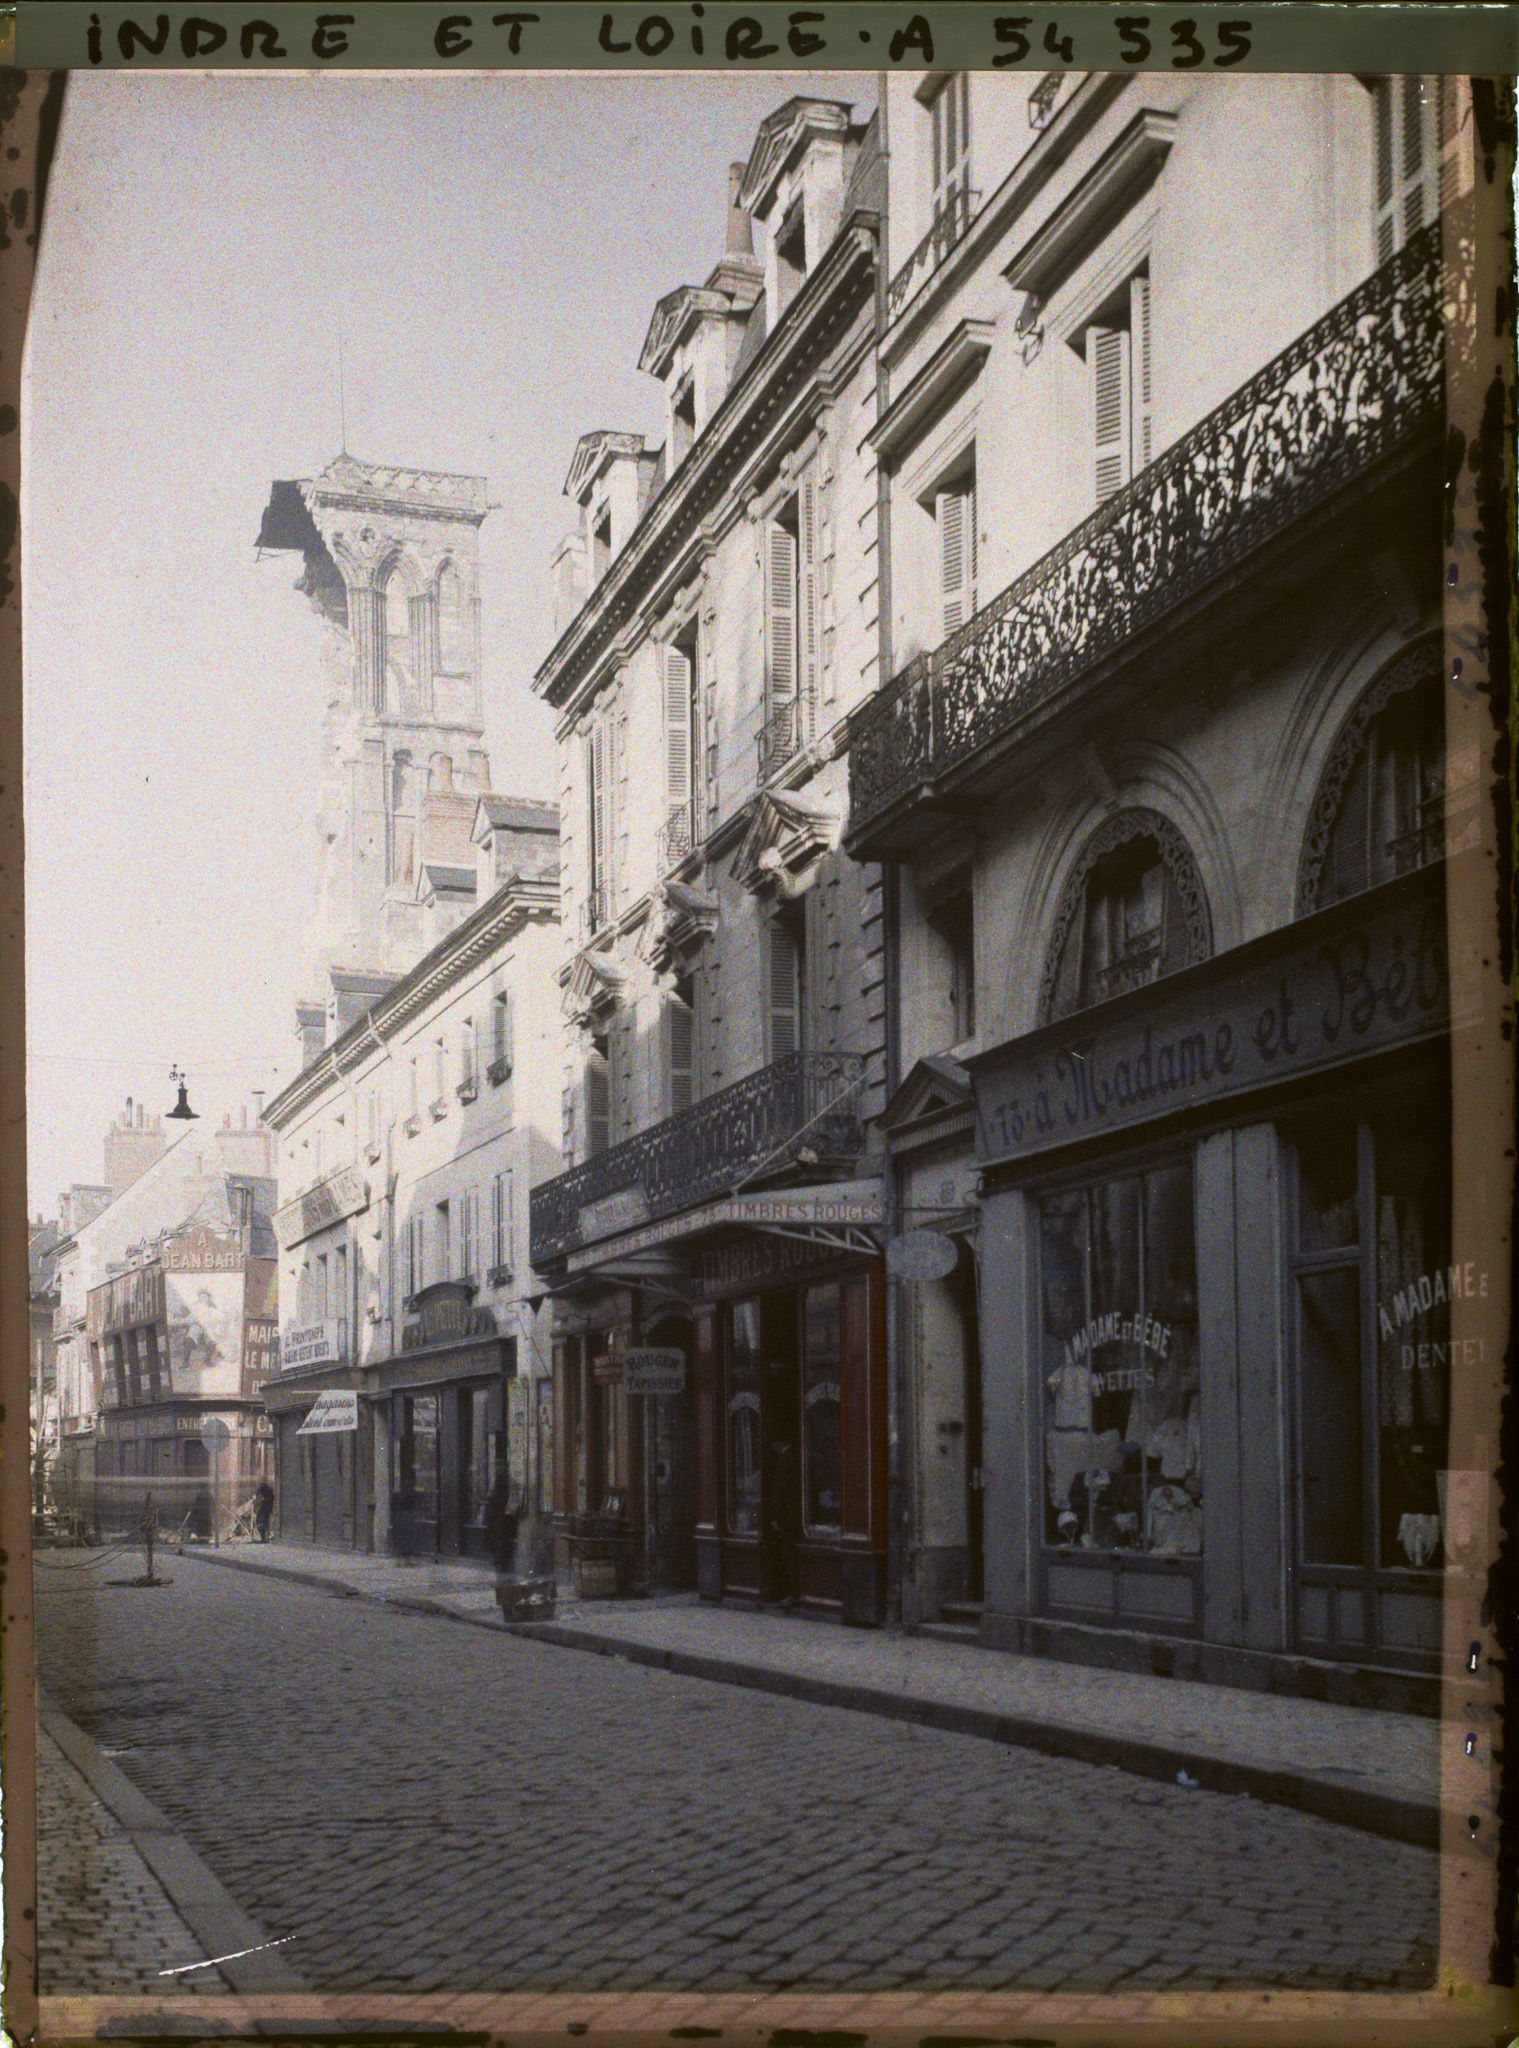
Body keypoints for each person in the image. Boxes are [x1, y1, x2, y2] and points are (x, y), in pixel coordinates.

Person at [254, 1478, 275, 1543]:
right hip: (268, 1507)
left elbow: (259, 1500)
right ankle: (266, 1537)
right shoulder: (269, 1489)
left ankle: (264, 1538)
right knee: (265, 1522)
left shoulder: (261, 1490)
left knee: (262, 1522)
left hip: (264, 1508)